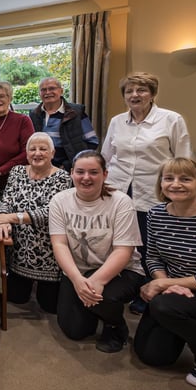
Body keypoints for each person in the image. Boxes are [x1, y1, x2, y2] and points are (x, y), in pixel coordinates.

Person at [101, 72, 192, 313]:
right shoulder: (117, 121)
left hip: (153, 190)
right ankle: (121, 286)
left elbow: (183, 160)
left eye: (141, 90)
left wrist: (178, 188)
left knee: (147, 244)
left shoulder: (171, 119)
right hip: (119, 188)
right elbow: (106, 157)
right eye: (129, 91)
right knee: (118, 240)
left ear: (152, 93)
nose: (134, 95)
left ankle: (147, 290)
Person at [49, 151, 144, 353]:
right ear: (71, 173)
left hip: (121, 271)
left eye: (93, 172)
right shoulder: (59, 200)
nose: (86, 178)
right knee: (75, 330)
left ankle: (114, 324)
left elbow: (123, 251)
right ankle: (94, 309)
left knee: (105, 298)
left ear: (105, 174)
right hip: (79, 270)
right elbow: (60, 244)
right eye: (80, 172)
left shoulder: (121, 202)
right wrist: (76, 279)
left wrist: (98, 281)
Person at [134, 158, 196, 389]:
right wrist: (165, 284)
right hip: (173, 292)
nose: (176, 184)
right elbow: (153, 257)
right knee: (152, 356)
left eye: (185, 179)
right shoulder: (156, 214)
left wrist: (164, 285)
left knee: (163, 307)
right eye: (169, 178)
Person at [0, 132, 71, 314]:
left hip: (49, 257)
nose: (37, 153)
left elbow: (51, 212)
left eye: (43, 149)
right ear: (26, 154)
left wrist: (12, 218)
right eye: (32, 149)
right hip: (19, 253)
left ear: (52, 153)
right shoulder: (17, 172)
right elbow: (6, 199)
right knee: (17, 299)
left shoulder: (63, 178)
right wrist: (3, 216)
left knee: (50, 307)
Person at [29, 77, 98, 171]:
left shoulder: (76, 113)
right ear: (39, 94)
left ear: (61, 91)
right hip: (41, 167)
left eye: (52, 88)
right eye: (43, 90)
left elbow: (92, 142)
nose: (48, 92)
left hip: (69, 168)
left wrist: (70, 164)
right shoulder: (34, 115)